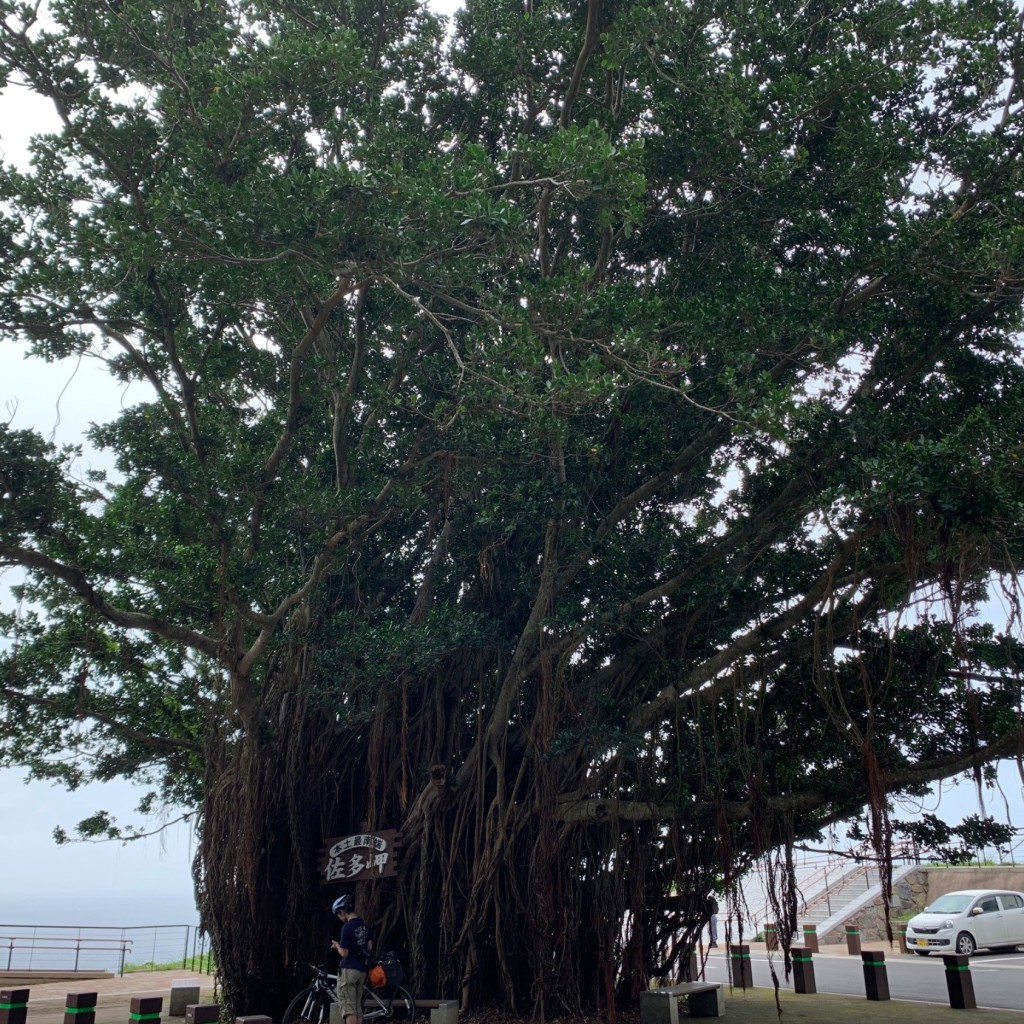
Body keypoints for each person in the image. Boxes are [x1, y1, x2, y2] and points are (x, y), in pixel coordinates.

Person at [331, 894, 373, 1024]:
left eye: (339, 914)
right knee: (357, 1008)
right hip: (361, 971)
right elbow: (369, 947)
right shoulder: (364, 925)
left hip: (348, 970)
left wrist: (337, 946)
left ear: (342, 911)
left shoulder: (347, 928)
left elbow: (344, 953)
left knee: (349, 1009)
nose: (339, 918)